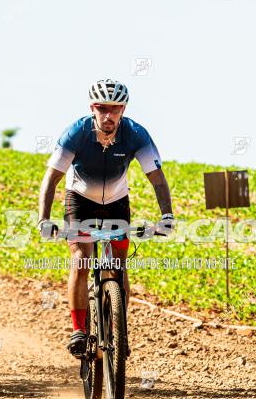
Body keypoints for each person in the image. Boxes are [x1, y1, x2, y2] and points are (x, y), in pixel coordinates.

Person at [36, 79, 175, 358]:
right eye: (102, 109)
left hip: (116, 202)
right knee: (81, 258)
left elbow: (158, 179)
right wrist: (44, 219)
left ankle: (118, 329)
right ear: (92, 108)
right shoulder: (76, 133)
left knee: (118, 265)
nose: (108, 115)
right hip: (79, 199)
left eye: (115, 109)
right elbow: (51, 179)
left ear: (123, 109)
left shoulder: (137, 135)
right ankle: (78, 329)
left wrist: (166, 215)